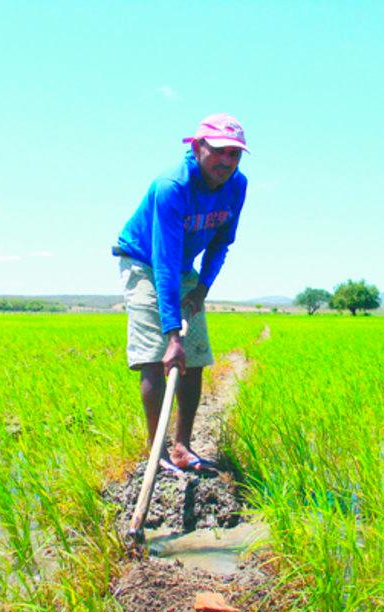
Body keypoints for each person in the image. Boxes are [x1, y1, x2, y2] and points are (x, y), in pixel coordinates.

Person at [112, 113, 249, 472]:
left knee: (194, 358)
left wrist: (202, 289)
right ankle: (155, 452)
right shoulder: (172, 186)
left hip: (184, 265)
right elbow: (163, 261)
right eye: (219, 151)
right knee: (158, 355)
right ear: (198, 146)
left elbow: (222, 242)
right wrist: (172, 334)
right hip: (144, 260)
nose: (227, 161)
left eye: (235, 154)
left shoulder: (237, 185)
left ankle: (182, 447)